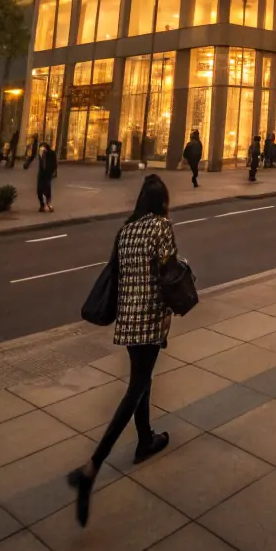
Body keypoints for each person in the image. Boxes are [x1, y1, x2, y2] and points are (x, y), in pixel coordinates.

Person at [67, 175, 176, 526]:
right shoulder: (161, 227)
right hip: (150, 318)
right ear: (162, 202)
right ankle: (92, 466)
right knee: (137, 387)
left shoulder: (125, 231)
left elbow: (120, 273)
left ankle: (145, 439)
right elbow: (169, 272)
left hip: (128, 322)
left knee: (141, 379)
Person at [32, 141, 57, 213]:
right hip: (41, 174)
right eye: (41, 149)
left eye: (43, 148)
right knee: (39, 190)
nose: (42, 150)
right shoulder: (40, 153)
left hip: (48, 174)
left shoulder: (51, 153)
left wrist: (51, 172)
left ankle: (48, 204)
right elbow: (41, 163)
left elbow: (54, 164)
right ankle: (42, 204)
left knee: (47, 189)